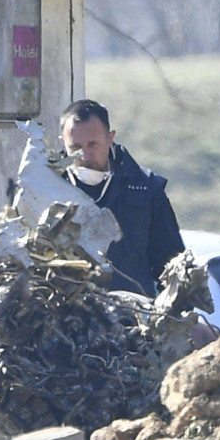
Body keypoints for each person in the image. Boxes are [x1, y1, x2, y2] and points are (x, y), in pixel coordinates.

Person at [59, 99, 184, 296]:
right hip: (67, 318)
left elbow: (171, 262)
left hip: (135, 316)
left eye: (93, 144)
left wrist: (177, 313)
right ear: (62, 143)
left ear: (110, 138)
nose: (85, 155)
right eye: (76, 147)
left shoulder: (147, 188)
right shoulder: (45, 189)